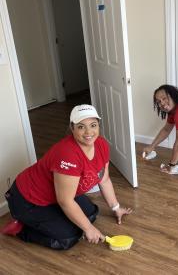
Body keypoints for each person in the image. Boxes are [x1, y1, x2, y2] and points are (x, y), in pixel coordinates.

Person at [0, 104, 132, 249]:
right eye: (81, 126)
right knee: (69, 236)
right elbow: (65, 201)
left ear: (98, 125)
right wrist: (88, 229)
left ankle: (53, 220)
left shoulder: (101, 144)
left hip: (58, 196)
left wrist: (116, 208)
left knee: (92, 213)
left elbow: (104, 179)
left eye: (93, 125)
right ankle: (20, 228)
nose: (89, 132)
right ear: (72, 127)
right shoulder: (67, 154)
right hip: (28, 200)